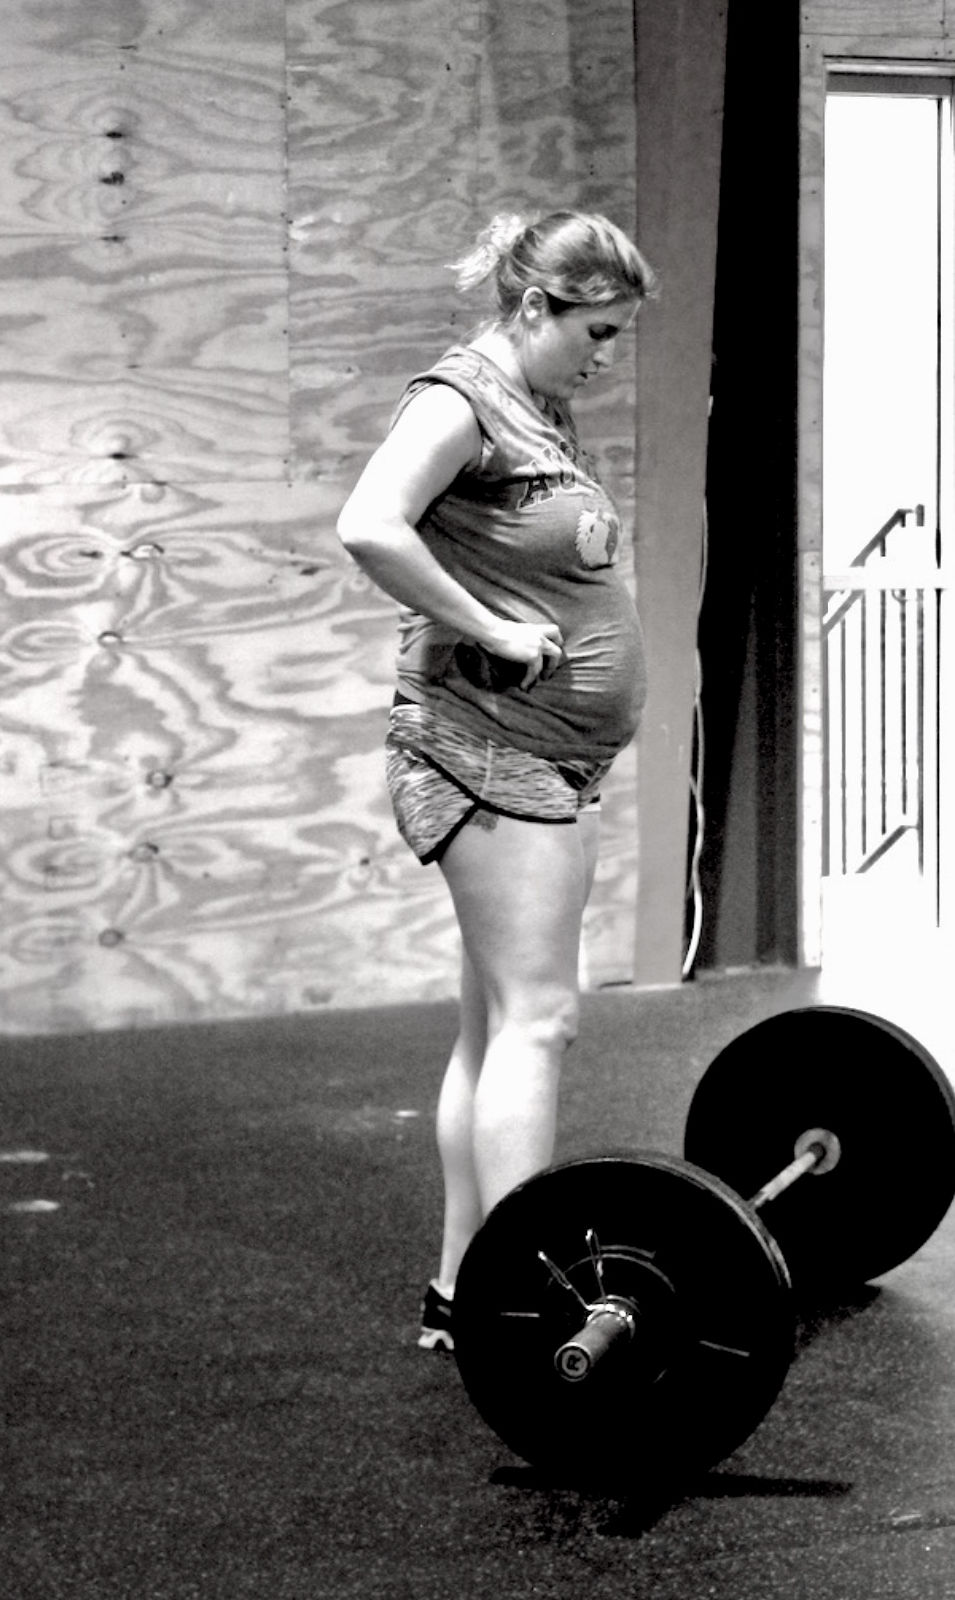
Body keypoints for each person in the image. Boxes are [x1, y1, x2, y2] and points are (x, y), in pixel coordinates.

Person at [336, 209, 658, 1351]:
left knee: (492, 1029)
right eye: (597, 331)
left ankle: (462, 1291)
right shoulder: (460, 400)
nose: (607, 356)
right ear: (533, 307)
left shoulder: (534, 402)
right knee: (540, 1019)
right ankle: (532, 1298)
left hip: (539, 754)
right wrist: (490, 627)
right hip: (484, 749)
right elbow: (369, 523)